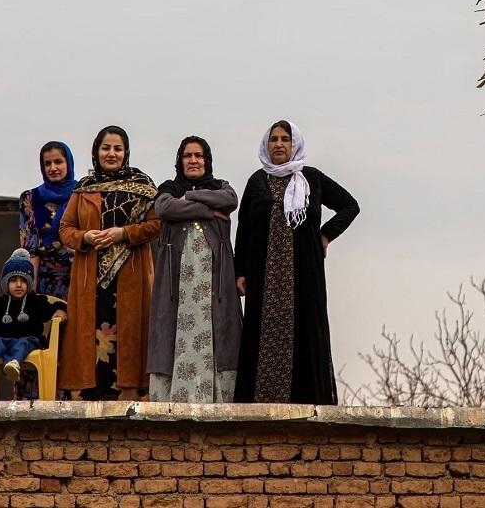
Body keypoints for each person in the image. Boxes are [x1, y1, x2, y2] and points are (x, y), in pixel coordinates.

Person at [234, 120, 360, 404]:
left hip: (304, 274)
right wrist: (239, 271)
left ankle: (307, 400)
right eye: (274, 139)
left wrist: (326, 235)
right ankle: (262, 401)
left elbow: (349, 205)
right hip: (264, 275)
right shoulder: (257, 182)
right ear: (266, 145)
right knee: (262, 333)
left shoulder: (311, 179)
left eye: (285, 139)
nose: (279, 144)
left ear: (295, 145)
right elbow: (243, 230)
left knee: (305, 330)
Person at [58, 125, 160, 400]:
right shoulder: (83, 189)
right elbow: (65, 229)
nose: (112, 154)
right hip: (90, 276)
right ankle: (89, 395)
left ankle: (129, 394)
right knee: (88, 335)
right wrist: (85, 237)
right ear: (96, 151)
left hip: (131, 276)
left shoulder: (143, 186)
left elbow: (156, 225)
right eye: (106, 148)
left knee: (130, 334)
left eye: (117, 148)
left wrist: (123, 233)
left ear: (126, 152)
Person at [148, 136, 241, 403]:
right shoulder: (168, 188)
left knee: (218, 334)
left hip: (215, 280)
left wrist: (190, 196)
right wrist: (209, 212)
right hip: (177, 280)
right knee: (172, 330)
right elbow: (165, 207)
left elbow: (230, 199)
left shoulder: (220, 187)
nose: (193, 160)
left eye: (198, 156)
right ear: (180, 160)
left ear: (207, 160)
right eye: (187, 156)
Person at [0, 249, 68, 387]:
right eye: (13, 280)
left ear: (29, 283)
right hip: (3, 339)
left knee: (23, 343)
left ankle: (13, 363)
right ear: (6, 284)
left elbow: (52, 308)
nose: (19, 285)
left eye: (23, 281)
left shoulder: (36, 302)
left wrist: (59, 310)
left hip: (30, 339)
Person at [17, 141, 76, 399]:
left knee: (72, 339)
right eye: (47, 163)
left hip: (78, 276)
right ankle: (34, 401)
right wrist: (29, 292)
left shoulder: (83, 194)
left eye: (58, 162)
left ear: (69, 163)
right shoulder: (30, 199)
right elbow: (30, 246)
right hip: (43, 280)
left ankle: (72, 400)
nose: (53, 168)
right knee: (39, 336)